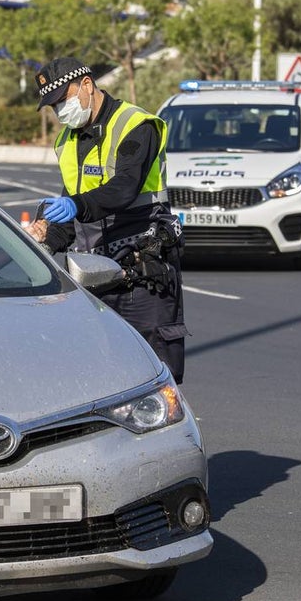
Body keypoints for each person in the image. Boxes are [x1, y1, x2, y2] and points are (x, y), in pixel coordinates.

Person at [30, 57, 186, 383]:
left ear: (87, 85)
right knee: (103, 379)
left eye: (63, 99)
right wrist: (44, 234)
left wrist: (75, 205)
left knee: (155, 377)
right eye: (54, 105)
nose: (60, 111)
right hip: (96, 277)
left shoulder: (136, 125)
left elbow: (123, 189)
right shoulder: (68, 141)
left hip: (144, 271)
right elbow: (69, 221)